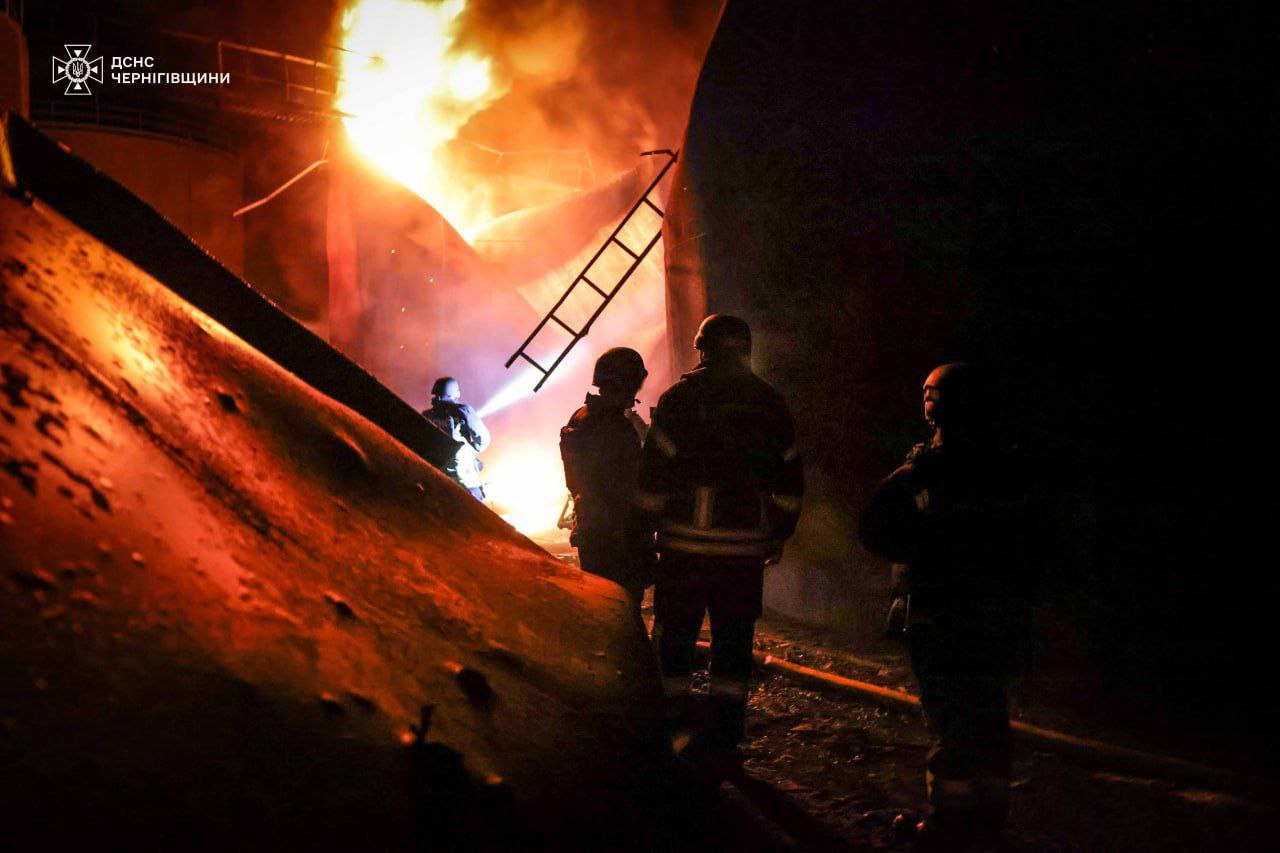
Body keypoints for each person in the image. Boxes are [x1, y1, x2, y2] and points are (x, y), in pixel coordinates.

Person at [859, 363, 1033, 850]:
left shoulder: (926, 471)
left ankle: (948, 827)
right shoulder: (1009, 469)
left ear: (936, 408)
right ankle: (989, 822)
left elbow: (873, 528)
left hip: (939, 616)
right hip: (998, 616)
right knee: (989, 716)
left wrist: (921, 548)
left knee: (950, 721)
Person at [632, 314, 804, 769]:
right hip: (744, 553)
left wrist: (643, 531)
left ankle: (673, 731)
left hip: (683, 549)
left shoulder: (681, 399)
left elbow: (653, 474)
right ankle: (725, 737)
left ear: (702, 350)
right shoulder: (768, 402)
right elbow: (789, 477)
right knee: (734, 640)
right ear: (745, 350)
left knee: (675, 637)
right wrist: (780, 531)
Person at [559, 347, 653, 607]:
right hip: (620, 535)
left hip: (590, 526)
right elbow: (631, 484)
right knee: (624, 604)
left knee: (599, 603)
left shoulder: (580, 416)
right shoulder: (619, 428)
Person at [422, 376, 490, 500]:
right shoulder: (463, 410)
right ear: (455, 393)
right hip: (464, 478)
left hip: (438, 474)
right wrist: (471, 449)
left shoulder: (427, 415)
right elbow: (483, 441)